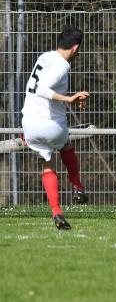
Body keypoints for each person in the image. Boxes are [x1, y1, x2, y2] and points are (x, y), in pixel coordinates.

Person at [21, 25, 90, 230]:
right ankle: (78, 187)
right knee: (66, 145)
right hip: (50, 125)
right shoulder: (62, 66)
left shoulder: (45, 57)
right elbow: (43, 89)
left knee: (47, 163)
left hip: (29, 123)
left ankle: (57, 213)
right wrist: (69, 99)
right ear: (75, 48)